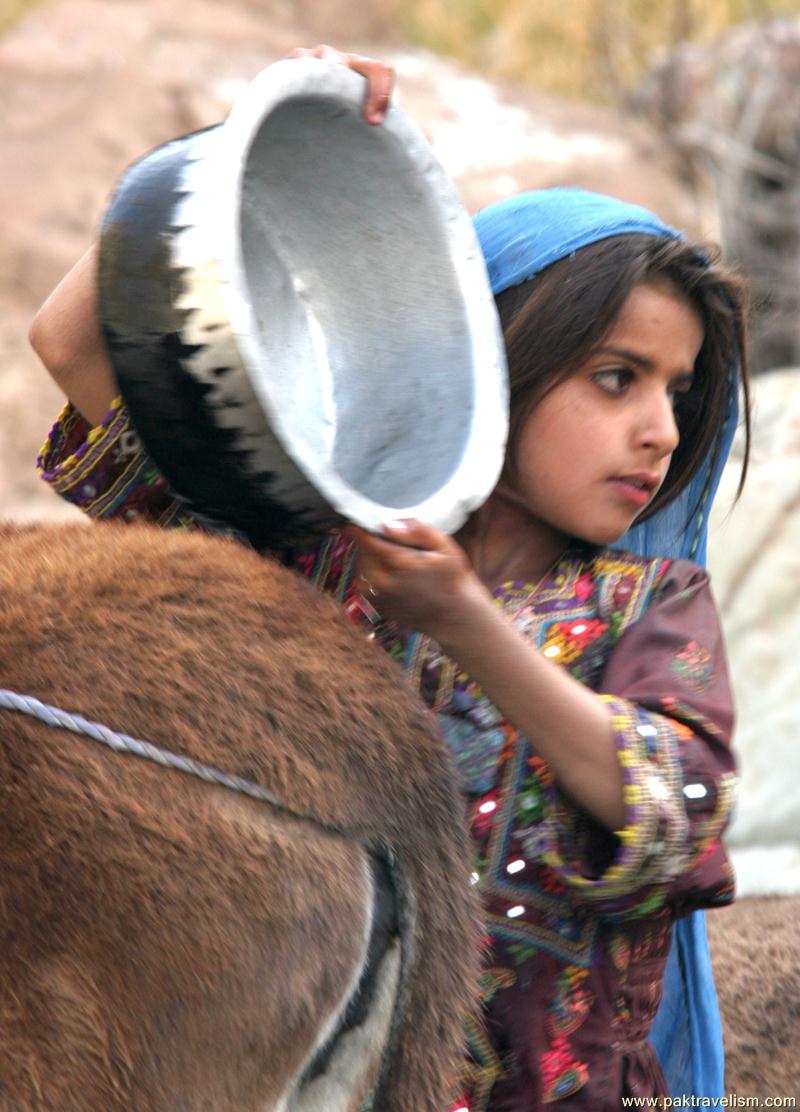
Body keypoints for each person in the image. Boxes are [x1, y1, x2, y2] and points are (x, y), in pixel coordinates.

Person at [30, 48, 750, 1112]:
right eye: (613, 378)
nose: (656, 430)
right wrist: (254, 141)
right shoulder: (312, 562)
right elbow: (71, 339)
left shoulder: (646, 609)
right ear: (478, 359)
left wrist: (463, 621)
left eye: (677, 393)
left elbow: (673, 813)